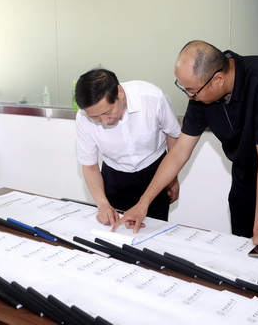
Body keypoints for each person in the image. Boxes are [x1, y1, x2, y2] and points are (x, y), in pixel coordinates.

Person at [113, 41, 258, 254]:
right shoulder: (201, 94)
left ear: (218, 79)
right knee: (243, 255)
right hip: (248, 185)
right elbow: (179, 152)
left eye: (191, 90)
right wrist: (143, 203)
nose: (189, 96)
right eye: (184, 88)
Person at [75, 68, 181, 224]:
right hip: (115, 178)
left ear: (120, 93)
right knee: (115, 231)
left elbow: (173, 135)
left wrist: (172, 178)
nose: (104, 121)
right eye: (95, 117)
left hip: (156, 172)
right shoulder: (83, 118)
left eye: (107, 112)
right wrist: (103, 205)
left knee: (155, 231)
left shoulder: (152, 97)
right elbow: (89, 165)